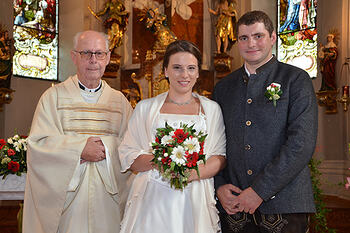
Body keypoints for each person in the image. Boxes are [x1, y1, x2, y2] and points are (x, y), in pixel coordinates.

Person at [213, 10, 318, 233]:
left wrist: (260, 190)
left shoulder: (296, 80)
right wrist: (219, 185)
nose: (251, 43)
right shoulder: (223, 87)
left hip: (285, 204)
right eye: (244, 38)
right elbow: (214, 142)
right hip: (234, 205)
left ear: (272, 38)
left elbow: (301, 144)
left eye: (258, 36)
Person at [23, 30, 133, 233]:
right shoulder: (53, 97)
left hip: (107, 202)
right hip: (68, 205)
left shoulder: (120, 102)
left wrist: (107, 149)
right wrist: (79, 150)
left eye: (99, 53)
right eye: (86, 53)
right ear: (74, 57)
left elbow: (133, 148)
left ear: (108, 57)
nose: (93, 60)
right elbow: (38, 145)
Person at [118, 40, 226, 233]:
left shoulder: (211, 109)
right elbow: (129, 155)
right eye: (177, 68)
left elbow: (219, 156)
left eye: (191, 68)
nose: (184, 75)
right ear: (165, 70)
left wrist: (190, 174)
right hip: (153, 198)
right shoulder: (145, 108)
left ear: (198, 72)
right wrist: (163, 161)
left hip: (195, 195)